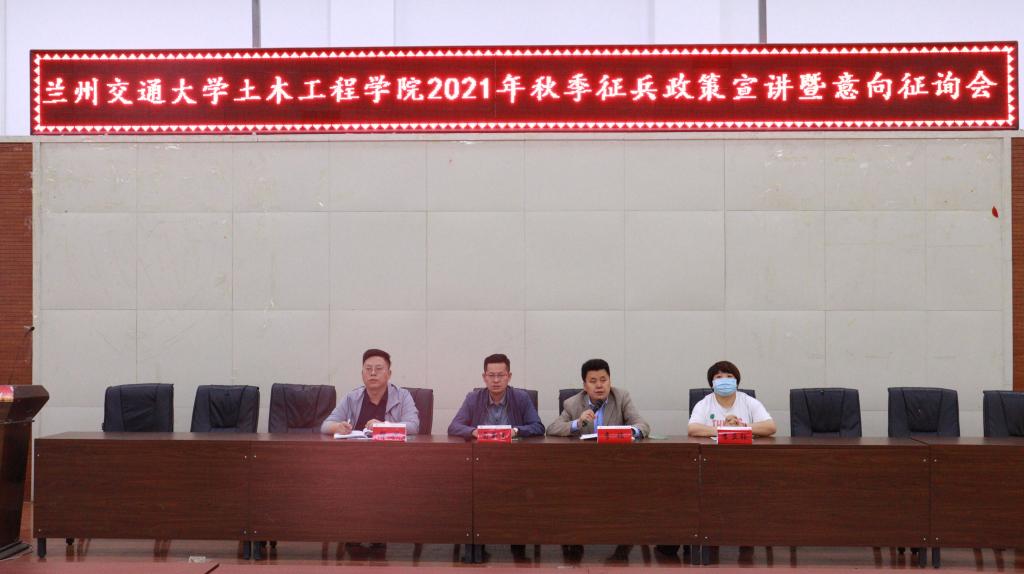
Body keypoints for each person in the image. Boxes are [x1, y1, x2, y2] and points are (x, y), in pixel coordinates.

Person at [321, 348, 420, 435]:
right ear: (362, 374)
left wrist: (383, 426)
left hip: (390, 449)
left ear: (389, 374)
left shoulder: (403, 396)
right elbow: (325, 426)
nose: (373, 373)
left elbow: (413, 426)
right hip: (356, 449)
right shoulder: (351, 397)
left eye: (378, 369)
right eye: (368, 369)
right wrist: (337, 427)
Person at [448, 353, 544, 439]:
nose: (496, 380)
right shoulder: (473, 398)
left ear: (509, 376)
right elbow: (454, 426)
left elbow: (538, 427)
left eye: (501, 375)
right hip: (481, 450)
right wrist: (473, 432)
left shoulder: (521, 398)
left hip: (512, 450)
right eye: (491, 375)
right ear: (484, 377)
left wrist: (515, 431)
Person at [546, 358, 650, 438]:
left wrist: (628, 432)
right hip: (584, 454)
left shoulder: (621, 397)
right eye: (593, 381)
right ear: (585, 386)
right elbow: (551, 429)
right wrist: (577, 423)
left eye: (603, 380)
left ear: (610, 382)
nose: (599, 385)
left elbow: (643, 425)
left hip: (614, 453)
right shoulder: (572, 403)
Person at [688, 360, 776, 437]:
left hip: (744, 449)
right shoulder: (704, 403)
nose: (724, 380)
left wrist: (742, 427)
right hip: (713, 449)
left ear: (736, 382)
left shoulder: (748, 401)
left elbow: (770, 427)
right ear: (712, 384)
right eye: (719, 377)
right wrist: (724, 429)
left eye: (729, 376)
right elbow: (692, 429)